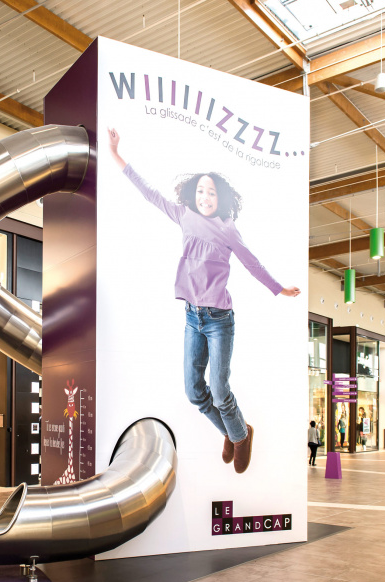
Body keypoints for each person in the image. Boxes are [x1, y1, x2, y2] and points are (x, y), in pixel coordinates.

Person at [107, 128, 300, 475]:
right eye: (200, 190)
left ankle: (240, 435)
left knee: (220, 389)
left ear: (220, 197)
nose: (205, 196)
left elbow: (251, 262)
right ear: (192, 194)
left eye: (211, 192)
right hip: (192, 317)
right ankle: (236, 431)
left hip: (219, 319)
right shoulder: (184, 215)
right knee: (194, 392)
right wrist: (118, 156)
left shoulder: (227, 229)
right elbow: (149, 193)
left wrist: (278, 288)